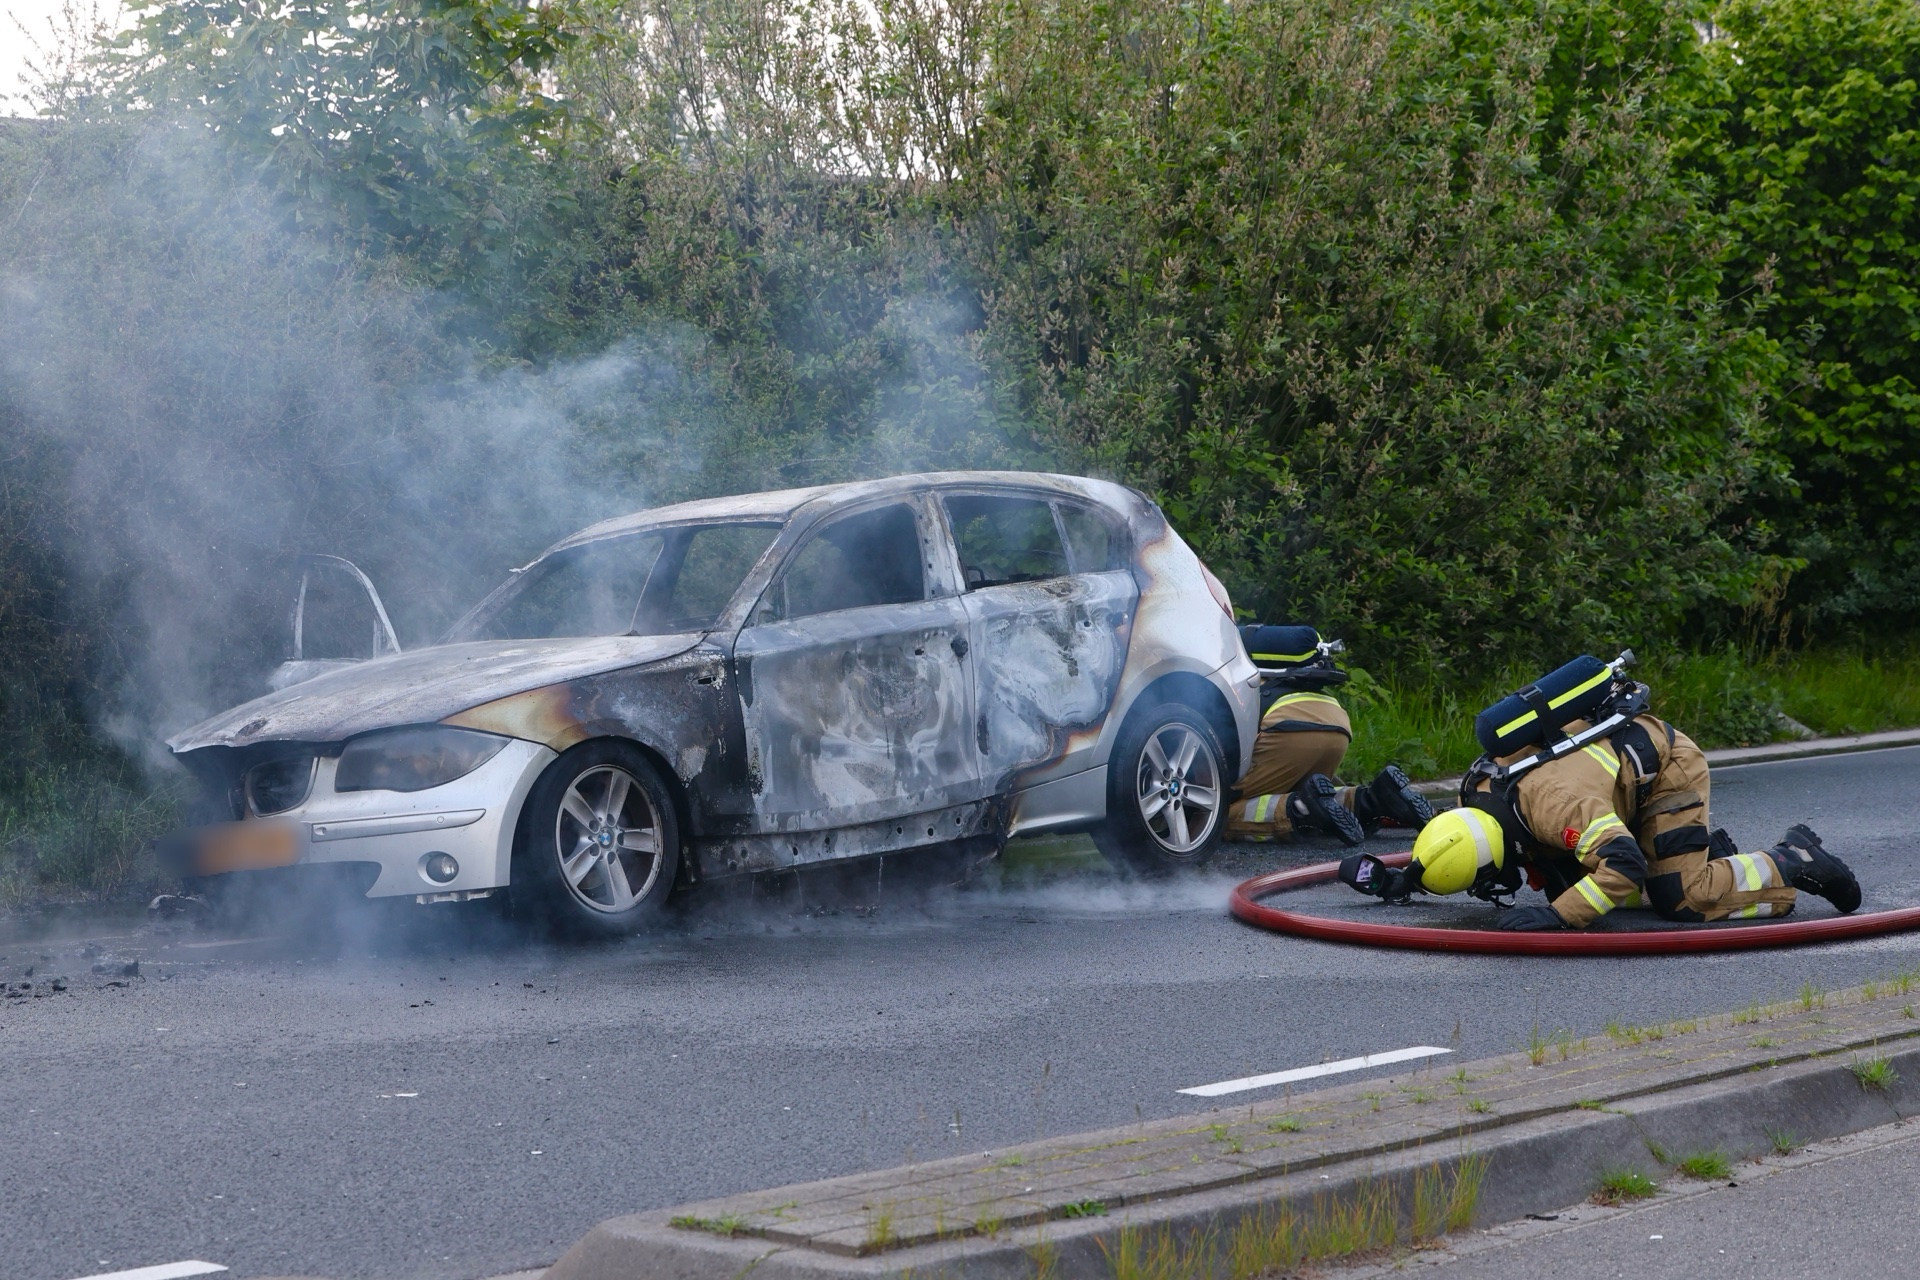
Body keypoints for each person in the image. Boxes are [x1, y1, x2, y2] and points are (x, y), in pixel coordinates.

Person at [1343, 653, 1860, 930]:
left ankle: (1790, 860)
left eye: (1486, 881)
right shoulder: (1473, 795)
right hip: (1607, 782)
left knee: (1682, 900)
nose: (1492, 888)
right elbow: (1451, 848)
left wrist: (1560, 916)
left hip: (1664, 769)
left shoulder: (1558, 811)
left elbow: (1623, 863)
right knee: (1564, 880)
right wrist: (1402, 879)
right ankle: (1695, 856)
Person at [1226, 625, 1434, 847]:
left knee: (1215, 812)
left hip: (1287, 725)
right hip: (1335, 719)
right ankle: (1375, 799)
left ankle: (1303, 811)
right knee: (1309, 792)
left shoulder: (1227, 673)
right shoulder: (1293, 676)